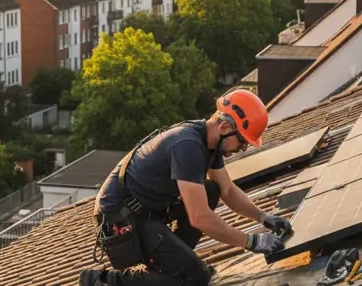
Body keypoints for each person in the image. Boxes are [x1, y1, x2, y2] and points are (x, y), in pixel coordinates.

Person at [80, 89, 292, 286]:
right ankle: (102, 280)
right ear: (225, 128)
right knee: (194, 279)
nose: (244, 148)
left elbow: (227, 189)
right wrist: (251, 241)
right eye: (243, 141)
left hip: (149, 208)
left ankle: (176, 258)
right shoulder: (187, 146)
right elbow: (199, 217)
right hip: (123, 215)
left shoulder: (210, 143)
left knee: (211, 190)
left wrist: (263, 217)